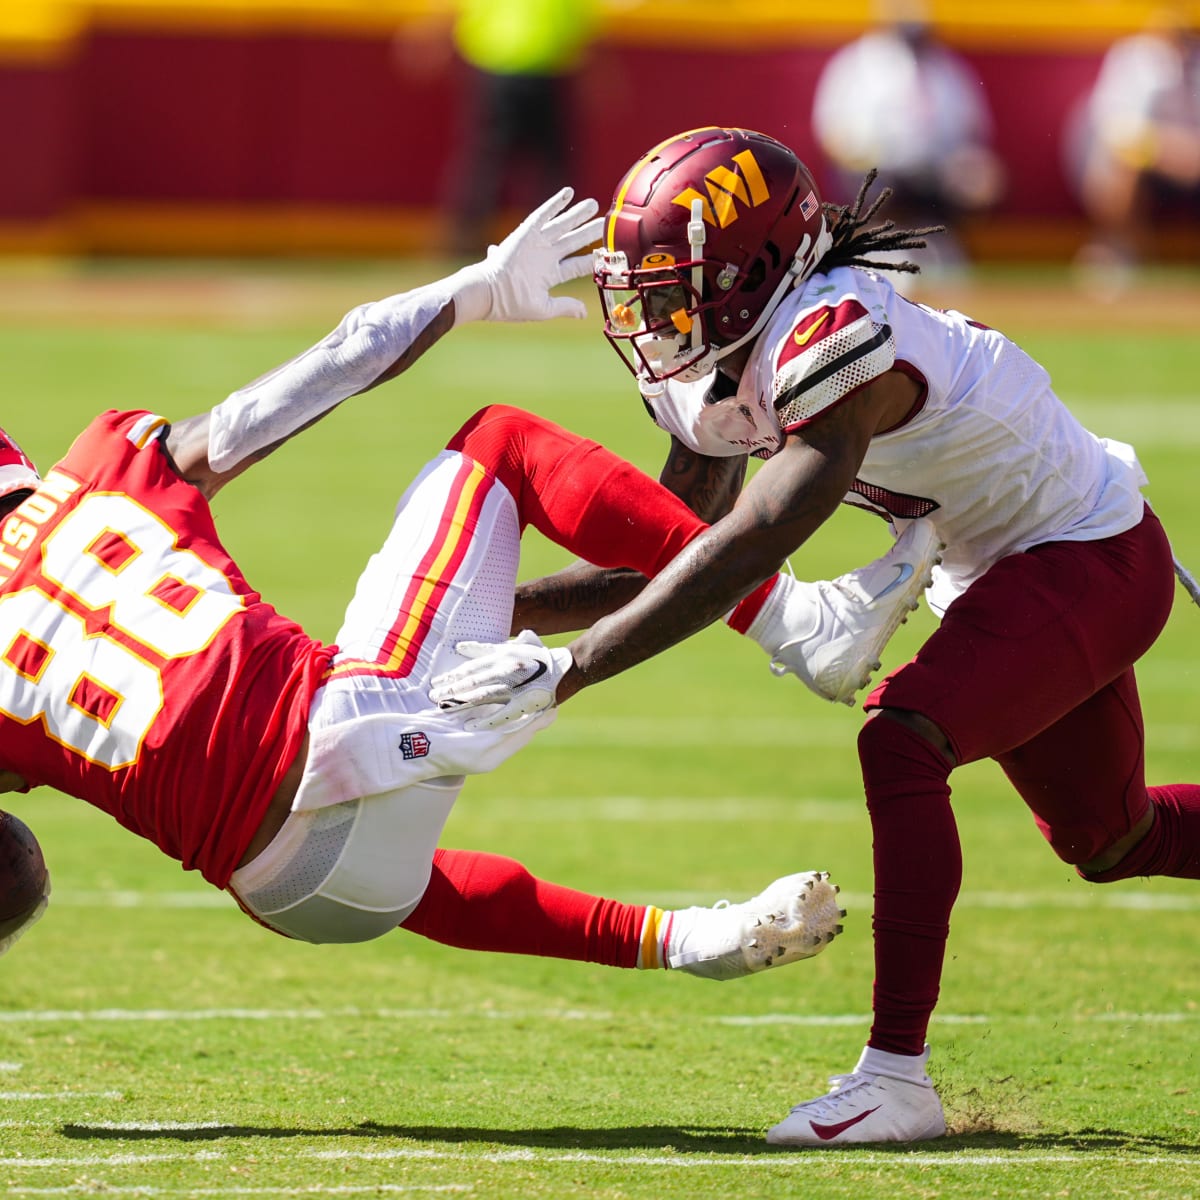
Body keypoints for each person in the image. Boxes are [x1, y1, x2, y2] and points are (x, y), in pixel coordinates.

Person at [430, 126, 1200, 1146]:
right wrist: (496, 608)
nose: (657, 317)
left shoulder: (834, 335)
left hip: (1085, 556)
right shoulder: (727, 354)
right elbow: (678, 548)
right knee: (1114, 840)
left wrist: (574, 668)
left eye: (678, 288)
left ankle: (896, 1079)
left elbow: (755, 543)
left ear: (754, 273)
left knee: (904, 735)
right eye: (647, 291)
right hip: (998, 568)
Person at [0, 189, 860, 987]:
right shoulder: (105, 470)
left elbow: (13, 870)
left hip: (292, 897)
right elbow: (341, 359)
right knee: (502, 444)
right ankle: (787, 616)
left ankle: (682, 941)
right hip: (344, 742)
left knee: (364, 817)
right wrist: (478, 286)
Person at [810, 0, 1005, 281]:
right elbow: (832, 135)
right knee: (874, 182)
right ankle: (879, 244)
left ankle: (937, 244)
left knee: (980, 179)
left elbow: (973, 132)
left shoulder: (947, 68)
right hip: (877, 168)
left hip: (937, 171)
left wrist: (970, 165)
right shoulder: (855, 64)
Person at [1065, 4, 1200, 287]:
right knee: (1124, 163)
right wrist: (1171, 149)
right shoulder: (1134, 59)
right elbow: (1119, 135)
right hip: (1124, 168)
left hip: (1189, 169)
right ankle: (1117, 251)